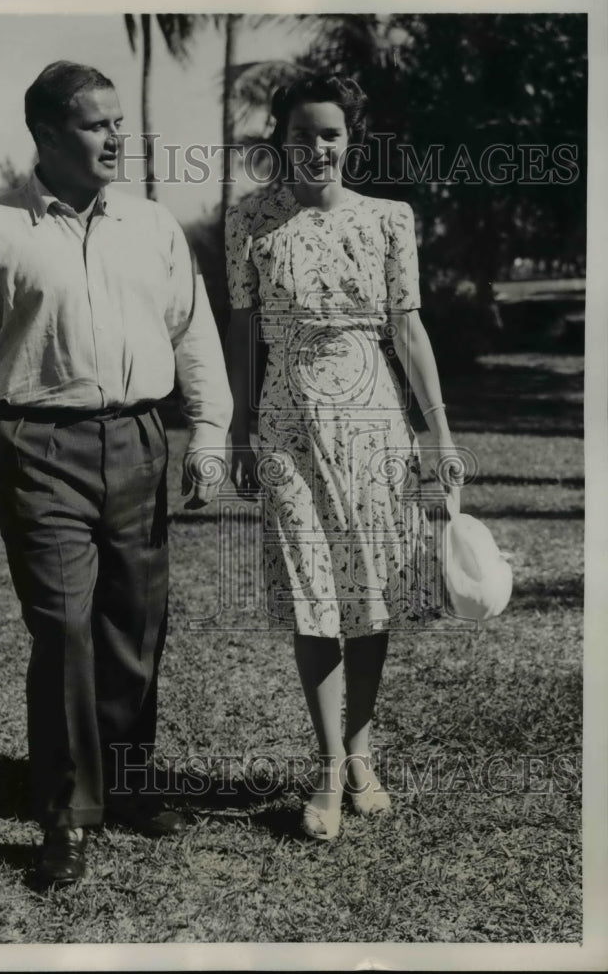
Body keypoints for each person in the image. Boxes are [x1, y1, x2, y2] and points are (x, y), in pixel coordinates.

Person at [0, 61, 232, 886]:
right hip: (35, 445)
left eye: (119, 122)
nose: (116, 138)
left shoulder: (152, 225)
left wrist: (209, 433)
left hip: (138, 440)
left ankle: (124, 783)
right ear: (47, 135)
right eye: (97, 125)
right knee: (64, 627)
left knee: (134, 623)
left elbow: (192, 331)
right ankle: (66, 815)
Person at [225, 74, 461, 841]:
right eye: (303, 133)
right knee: (311, 591)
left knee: (367, 589)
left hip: (373, 424)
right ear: (281, 137)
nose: (317, 147)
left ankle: (361, 753)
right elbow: (243, 331)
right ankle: (329, 766)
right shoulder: (250, 218)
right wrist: (238, 426)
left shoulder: (390, 219)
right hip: (287, 423)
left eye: (331, 133)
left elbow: (409, 330)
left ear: (350, 138)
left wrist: (437, 431)